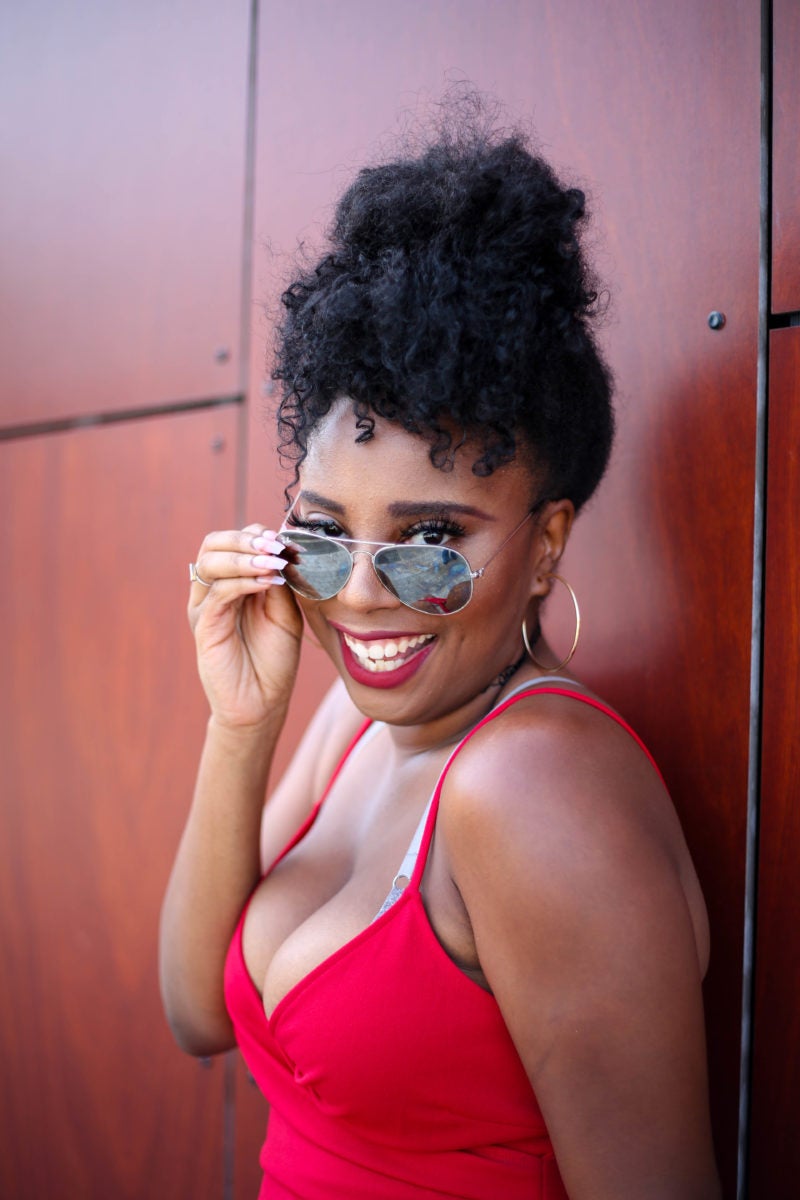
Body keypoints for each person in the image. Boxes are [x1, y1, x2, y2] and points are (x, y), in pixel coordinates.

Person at [159, 107, 720, 1199]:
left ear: (545, 544)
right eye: (324, 535)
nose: (361, 594)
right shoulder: (355, 724)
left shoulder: (533, 787)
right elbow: (194, 1015)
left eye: (429, 542)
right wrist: (241, 724)